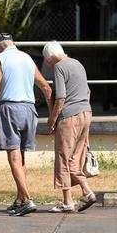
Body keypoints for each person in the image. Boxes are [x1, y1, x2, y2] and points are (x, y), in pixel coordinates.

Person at [0, 33, 52, 216]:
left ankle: (27, 199)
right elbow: (45, 87)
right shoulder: (27, 57)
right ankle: (20, 199)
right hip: (29, 110)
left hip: (10, 108)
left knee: (13, 157)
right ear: (13, 43)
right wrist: (53, 115)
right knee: (21, 158)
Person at [42, 41, 96, 213]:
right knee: (75, 158)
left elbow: (60, 98)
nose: (48, 64)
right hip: (86, 113)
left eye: (47, 61)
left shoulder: (59, 67)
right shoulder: (78, 64)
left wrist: (52, 119)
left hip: (69, 117)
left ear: (51, 57)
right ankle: (87, 192)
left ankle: (68, 201)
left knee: (63, 158)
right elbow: (87, 92)